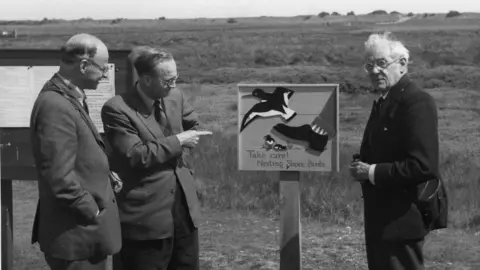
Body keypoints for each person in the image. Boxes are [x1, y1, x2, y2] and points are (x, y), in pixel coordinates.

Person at [101, 46, 211, 270]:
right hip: (145, 218)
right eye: (167, 81)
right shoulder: (117, 109)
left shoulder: (175, 97)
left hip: (183, 212)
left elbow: (194, 125)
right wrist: (178, 142)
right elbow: (135, 155)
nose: (173, 86)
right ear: (146, 79)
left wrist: (187, 142)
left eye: (175, 79)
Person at [349, 32, 447, 270]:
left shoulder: (416, 102)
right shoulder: (386, 99)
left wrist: (371, 171)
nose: (374, 71)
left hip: (402, 222)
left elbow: (424, 165)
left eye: (381, 63)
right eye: (369, 65)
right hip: (382, 222)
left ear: (402, 64)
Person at [29, 33, 122, 270]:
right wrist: (92, 209)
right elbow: (58, 177)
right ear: (83, 65)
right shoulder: (55, 105)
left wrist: (105, 174)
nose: (104, 75)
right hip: (77, 237)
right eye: (102, 68)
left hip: (83, 234)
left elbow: (78, 153)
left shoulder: (71, 96)